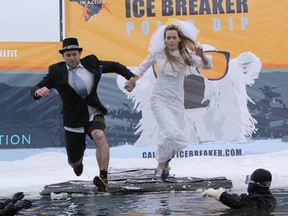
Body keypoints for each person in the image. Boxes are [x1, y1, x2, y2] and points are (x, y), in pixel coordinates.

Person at [31, 37, 136, 192]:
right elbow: (40, 86)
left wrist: (131, 77)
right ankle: (78, 163)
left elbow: (114, 66)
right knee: (73, 161)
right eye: (68, 55)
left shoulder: (92, 63)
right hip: (73, 119)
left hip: (94, 112)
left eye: (75, 54)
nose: (72, 58)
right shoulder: (56, 71)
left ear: (80, 54)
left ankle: (103, 177)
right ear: (63, 56)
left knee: (99, 135)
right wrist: (38, 91)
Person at [124, 19, 212, 180]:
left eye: (174, 37)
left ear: (179, 39)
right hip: (159, 100)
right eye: (168, 38)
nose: (171, 40)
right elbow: (142, 68)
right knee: (170, 133)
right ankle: (160, 165)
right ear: (164, 39)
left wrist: (202, 55)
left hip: (177, 101)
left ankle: (165, 164)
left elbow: (207, 66)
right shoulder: (158, 53)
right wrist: (132, 80)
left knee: (176, 137)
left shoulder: (186, 54)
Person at [202, 168, 277, 209]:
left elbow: (239, 202)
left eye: (249, 181)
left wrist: (219, 194)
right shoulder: (271, 199)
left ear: (254, 184)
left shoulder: (257, 201)